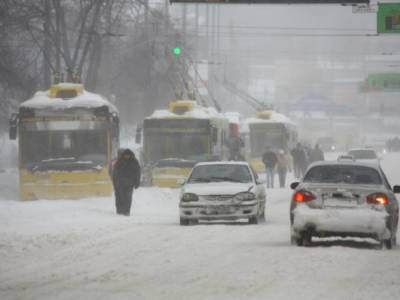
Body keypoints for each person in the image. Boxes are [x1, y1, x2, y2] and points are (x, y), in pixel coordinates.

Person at [112, 149, 141, 216]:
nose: (127, 156)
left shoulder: (134, 162)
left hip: (129, 184)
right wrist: (115, 182)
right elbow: (115, 173)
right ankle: (120, 210)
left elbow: (137, 173)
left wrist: (137, 182)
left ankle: (127, 211)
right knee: (120, 197)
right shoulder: (119, 162)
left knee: (128, 197)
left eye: (128, 155)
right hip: (120, 183)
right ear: (123, 155)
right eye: (126, 155)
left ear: (130, 155)